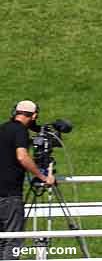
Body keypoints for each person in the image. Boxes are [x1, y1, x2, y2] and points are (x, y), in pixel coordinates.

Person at [0, 101, 55, 260]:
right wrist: (43, 177)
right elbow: (22, 156)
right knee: (13, 241)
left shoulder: (3, 129)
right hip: (10, 196)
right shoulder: (20, 131)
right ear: (34, 116)